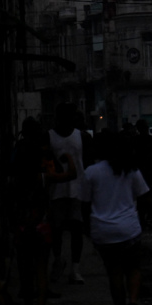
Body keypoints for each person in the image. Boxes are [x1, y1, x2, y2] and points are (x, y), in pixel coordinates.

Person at [81, 131, 150, 305]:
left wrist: (88, 228)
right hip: (129, 229)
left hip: (104, 231)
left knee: (115, 274)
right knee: (134, 268)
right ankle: (133, 301)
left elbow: (85, 204)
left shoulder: (91, 172)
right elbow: (144, 196)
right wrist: (147, 220)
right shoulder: (131, 170)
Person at [12, 117, 76, 305]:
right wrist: (68, 158)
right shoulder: (44, 173)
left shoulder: (17, 177)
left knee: (25, 269)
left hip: (22, 221)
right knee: (41, 268)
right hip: (42, 222)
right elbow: (70, 174)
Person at [47, 104, 86, 286]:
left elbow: (87, 162)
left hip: (77, 189)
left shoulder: (81, 136)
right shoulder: (49, 136)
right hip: (56, 190)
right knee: (56, 229)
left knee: (76, 229)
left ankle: (74, 269)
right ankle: (59, 260)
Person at [133, 120, 152, 230]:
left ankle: (144, 219)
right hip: (150, 171)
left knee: (142, 198)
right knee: (149, 196)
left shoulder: (135, 141)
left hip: (143, 172)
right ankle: (148, 219)